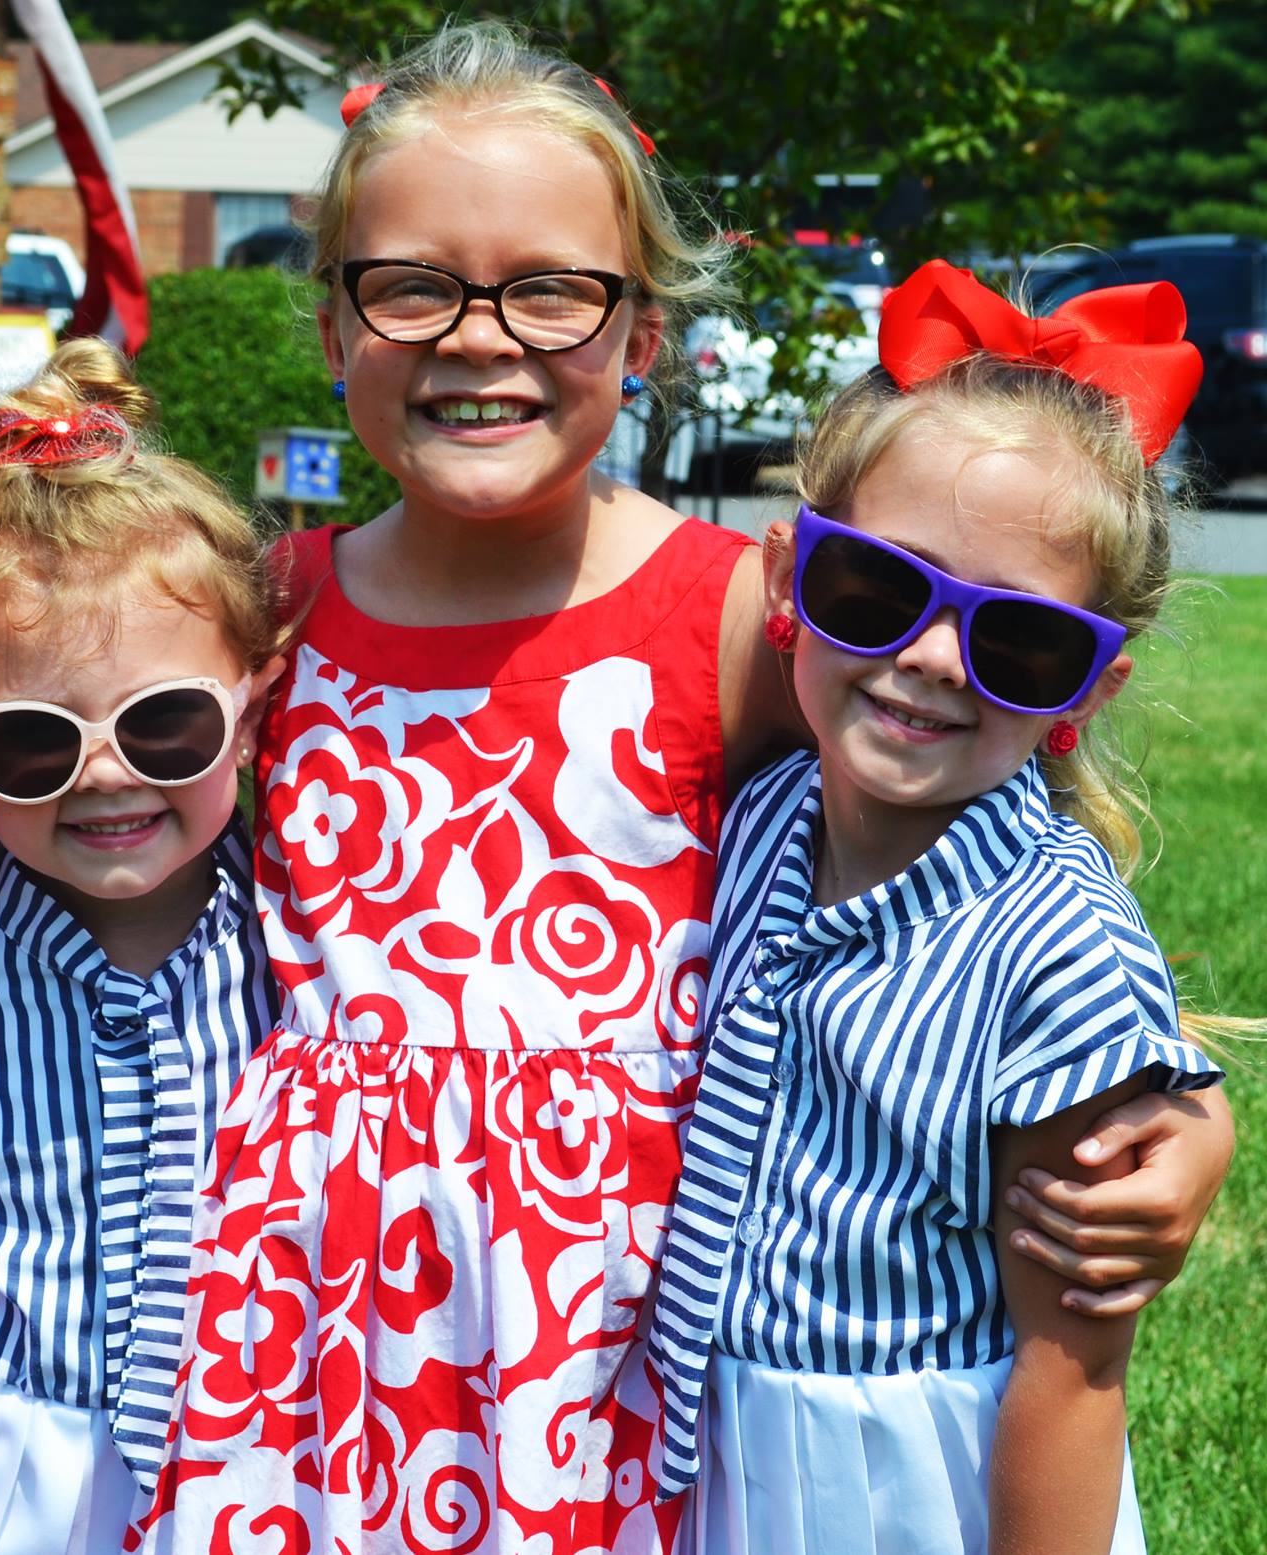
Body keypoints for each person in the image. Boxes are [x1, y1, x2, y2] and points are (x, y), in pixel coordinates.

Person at [133, 26, 1236, 1554]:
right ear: (333, 321)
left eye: (551, 289)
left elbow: (968, 878)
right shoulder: (265, 612)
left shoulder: (738, 619)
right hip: (319, 1334)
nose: (478, 337)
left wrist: (1171, 1112)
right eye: (412, 285)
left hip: (611, 1353)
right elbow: (64, 816)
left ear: (641, 334)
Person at [645, 259, 1235, 1555]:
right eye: (878, 590)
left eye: (1017, 641)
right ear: (792, 580)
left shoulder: (1053, 944)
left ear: (1088, 682)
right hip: (717, 1467)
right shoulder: (758, 813)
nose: (927, 660)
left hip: (916, 1487)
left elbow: (1070, 1372)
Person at [0, 338, 289, 1555]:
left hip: (246, 1461)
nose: (104, 774)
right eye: (34, 746)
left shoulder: (311, 935)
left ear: (251, 711)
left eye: (164, 726)